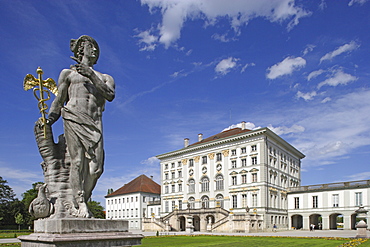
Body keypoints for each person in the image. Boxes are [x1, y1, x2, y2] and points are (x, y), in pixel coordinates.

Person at [48, 35, 115, 217]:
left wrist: (90, 74)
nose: (94, 50)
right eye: (90, 46)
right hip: (73, 117)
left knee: (96, 169)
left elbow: (110, 95)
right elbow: (59, 100)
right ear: (80, 50)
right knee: (77, 162)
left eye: (95, 47)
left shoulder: (104, 77)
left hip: (94, 123)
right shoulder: (68, 74)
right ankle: (80, 202)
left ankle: (85, 195)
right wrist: (49, 120)